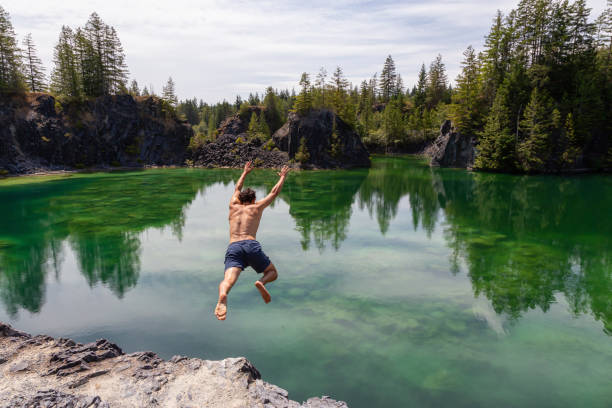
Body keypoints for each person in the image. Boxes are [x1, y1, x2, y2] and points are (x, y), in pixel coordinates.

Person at [214, 161, 291, 320]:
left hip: (234, 246)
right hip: (251, 245)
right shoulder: (256, 208)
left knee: (227, 281)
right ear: (254, 199)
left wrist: (244, 172)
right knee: (272, 272)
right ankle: (261, 282)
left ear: (240, 199)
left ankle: (223, 295)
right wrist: (282, 177)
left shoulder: (233, 205)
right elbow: (274, 192)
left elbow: (237, 188)